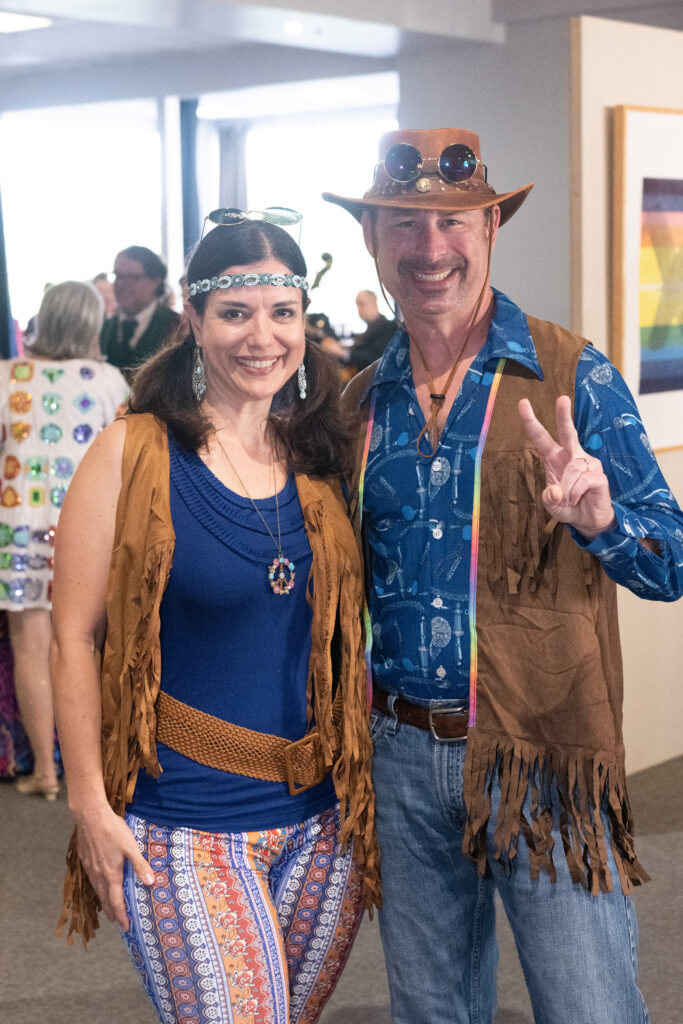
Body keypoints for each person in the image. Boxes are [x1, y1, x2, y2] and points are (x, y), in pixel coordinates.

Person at [323, 127, 683, 1024]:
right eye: (403, 224)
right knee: (431, 1010)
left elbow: (669, 560)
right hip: (399, 754)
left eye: (451, 224)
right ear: (373, 238)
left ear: (490, 225)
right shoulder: (356, 403)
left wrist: (603, 523)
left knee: (588, 1007)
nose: (428, 248)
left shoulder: (571, 374)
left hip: (544, 752)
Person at [50, 214, 379, 1024]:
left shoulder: (321, 452)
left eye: (281, 312)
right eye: (235, 313)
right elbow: (72, 637)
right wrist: (90, 807)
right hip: (183, 825)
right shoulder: (131, 454)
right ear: (193, 322)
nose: (260, 336)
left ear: (304, 323)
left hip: (322, 826)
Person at [0, 281, 127, 799]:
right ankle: (92, 772)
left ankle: (47, 774)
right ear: (92, 323)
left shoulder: (8, 379)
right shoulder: (110, 381)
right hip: (88, 526)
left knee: (30, 647)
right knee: (91, 645)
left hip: (18, 525)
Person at [100, 245, 179, 378]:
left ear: (155, 281)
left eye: (131, 277)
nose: (121, 284)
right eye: (118, 276)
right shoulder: (103, 327)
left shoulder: (175, 326)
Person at [347, 289, 396, 371]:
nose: (358, 309)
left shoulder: (388, 327)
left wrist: (343, 353)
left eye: (361, 304)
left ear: (374, 303)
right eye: (357, 305)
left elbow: (376, 358)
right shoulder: (370, 328)